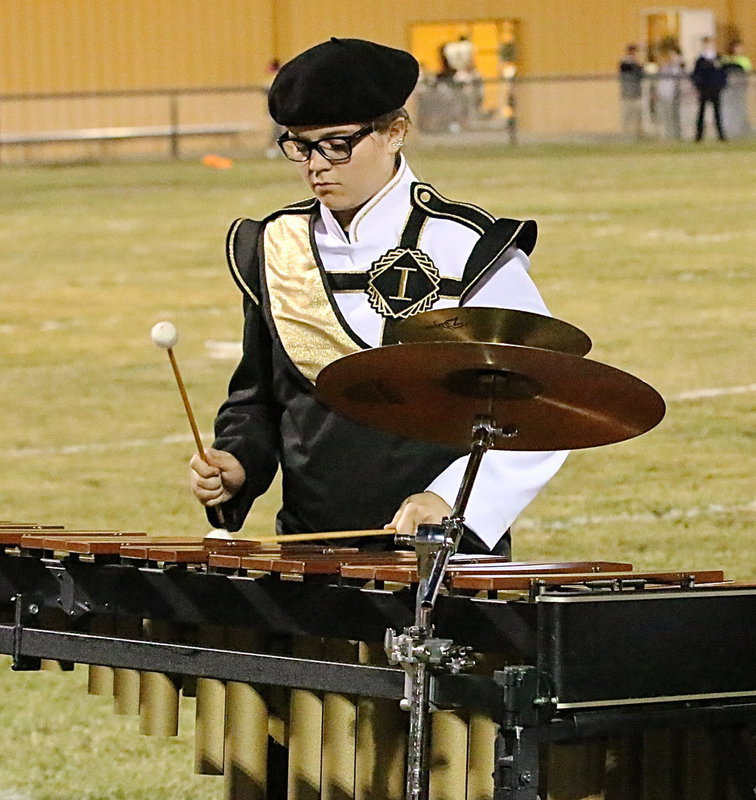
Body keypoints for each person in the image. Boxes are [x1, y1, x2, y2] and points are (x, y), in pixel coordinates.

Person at [190, 37, 567, 556]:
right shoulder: (275, 246)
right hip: (311, 551)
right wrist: (238, 462)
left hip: (441, 550)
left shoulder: (468, 246)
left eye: (337, 144)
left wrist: (453, 500)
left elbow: (544, 397)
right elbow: (259, 397)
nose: (316, 165)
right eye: (300, 146)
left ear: (395, 132)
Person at [691, 36, 728, 141]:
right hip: (704, 89)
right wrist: (699, 86)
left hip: (715, 89)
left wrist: (721, 85)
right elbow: (696, 75)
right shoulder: (700, 60)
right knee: (701, 112)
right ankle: (699, 135)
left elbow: (723, 74)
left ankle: (721, 135)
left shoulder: (718, 58)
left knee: (717, 112)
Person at [656, 49, 684, 140]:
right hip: (665, 95)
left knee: (675, 117)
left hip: (675, 96)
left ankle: (677, 135)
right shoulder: (665, 69)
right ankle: (668, 135)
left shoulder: (678, 69)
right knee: (667, 116)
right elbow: (661, 82)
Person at [618, 44, 644, 139]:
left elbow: (641, 73)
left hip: (636, 95)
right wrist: (633, 61)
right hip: (627, 95)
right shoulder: (625, 64)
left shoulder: (637, 64)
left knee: (637, 117)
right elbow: (627, 68)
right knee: (626, 117)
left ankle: (636, 135)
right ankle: (625, 135)